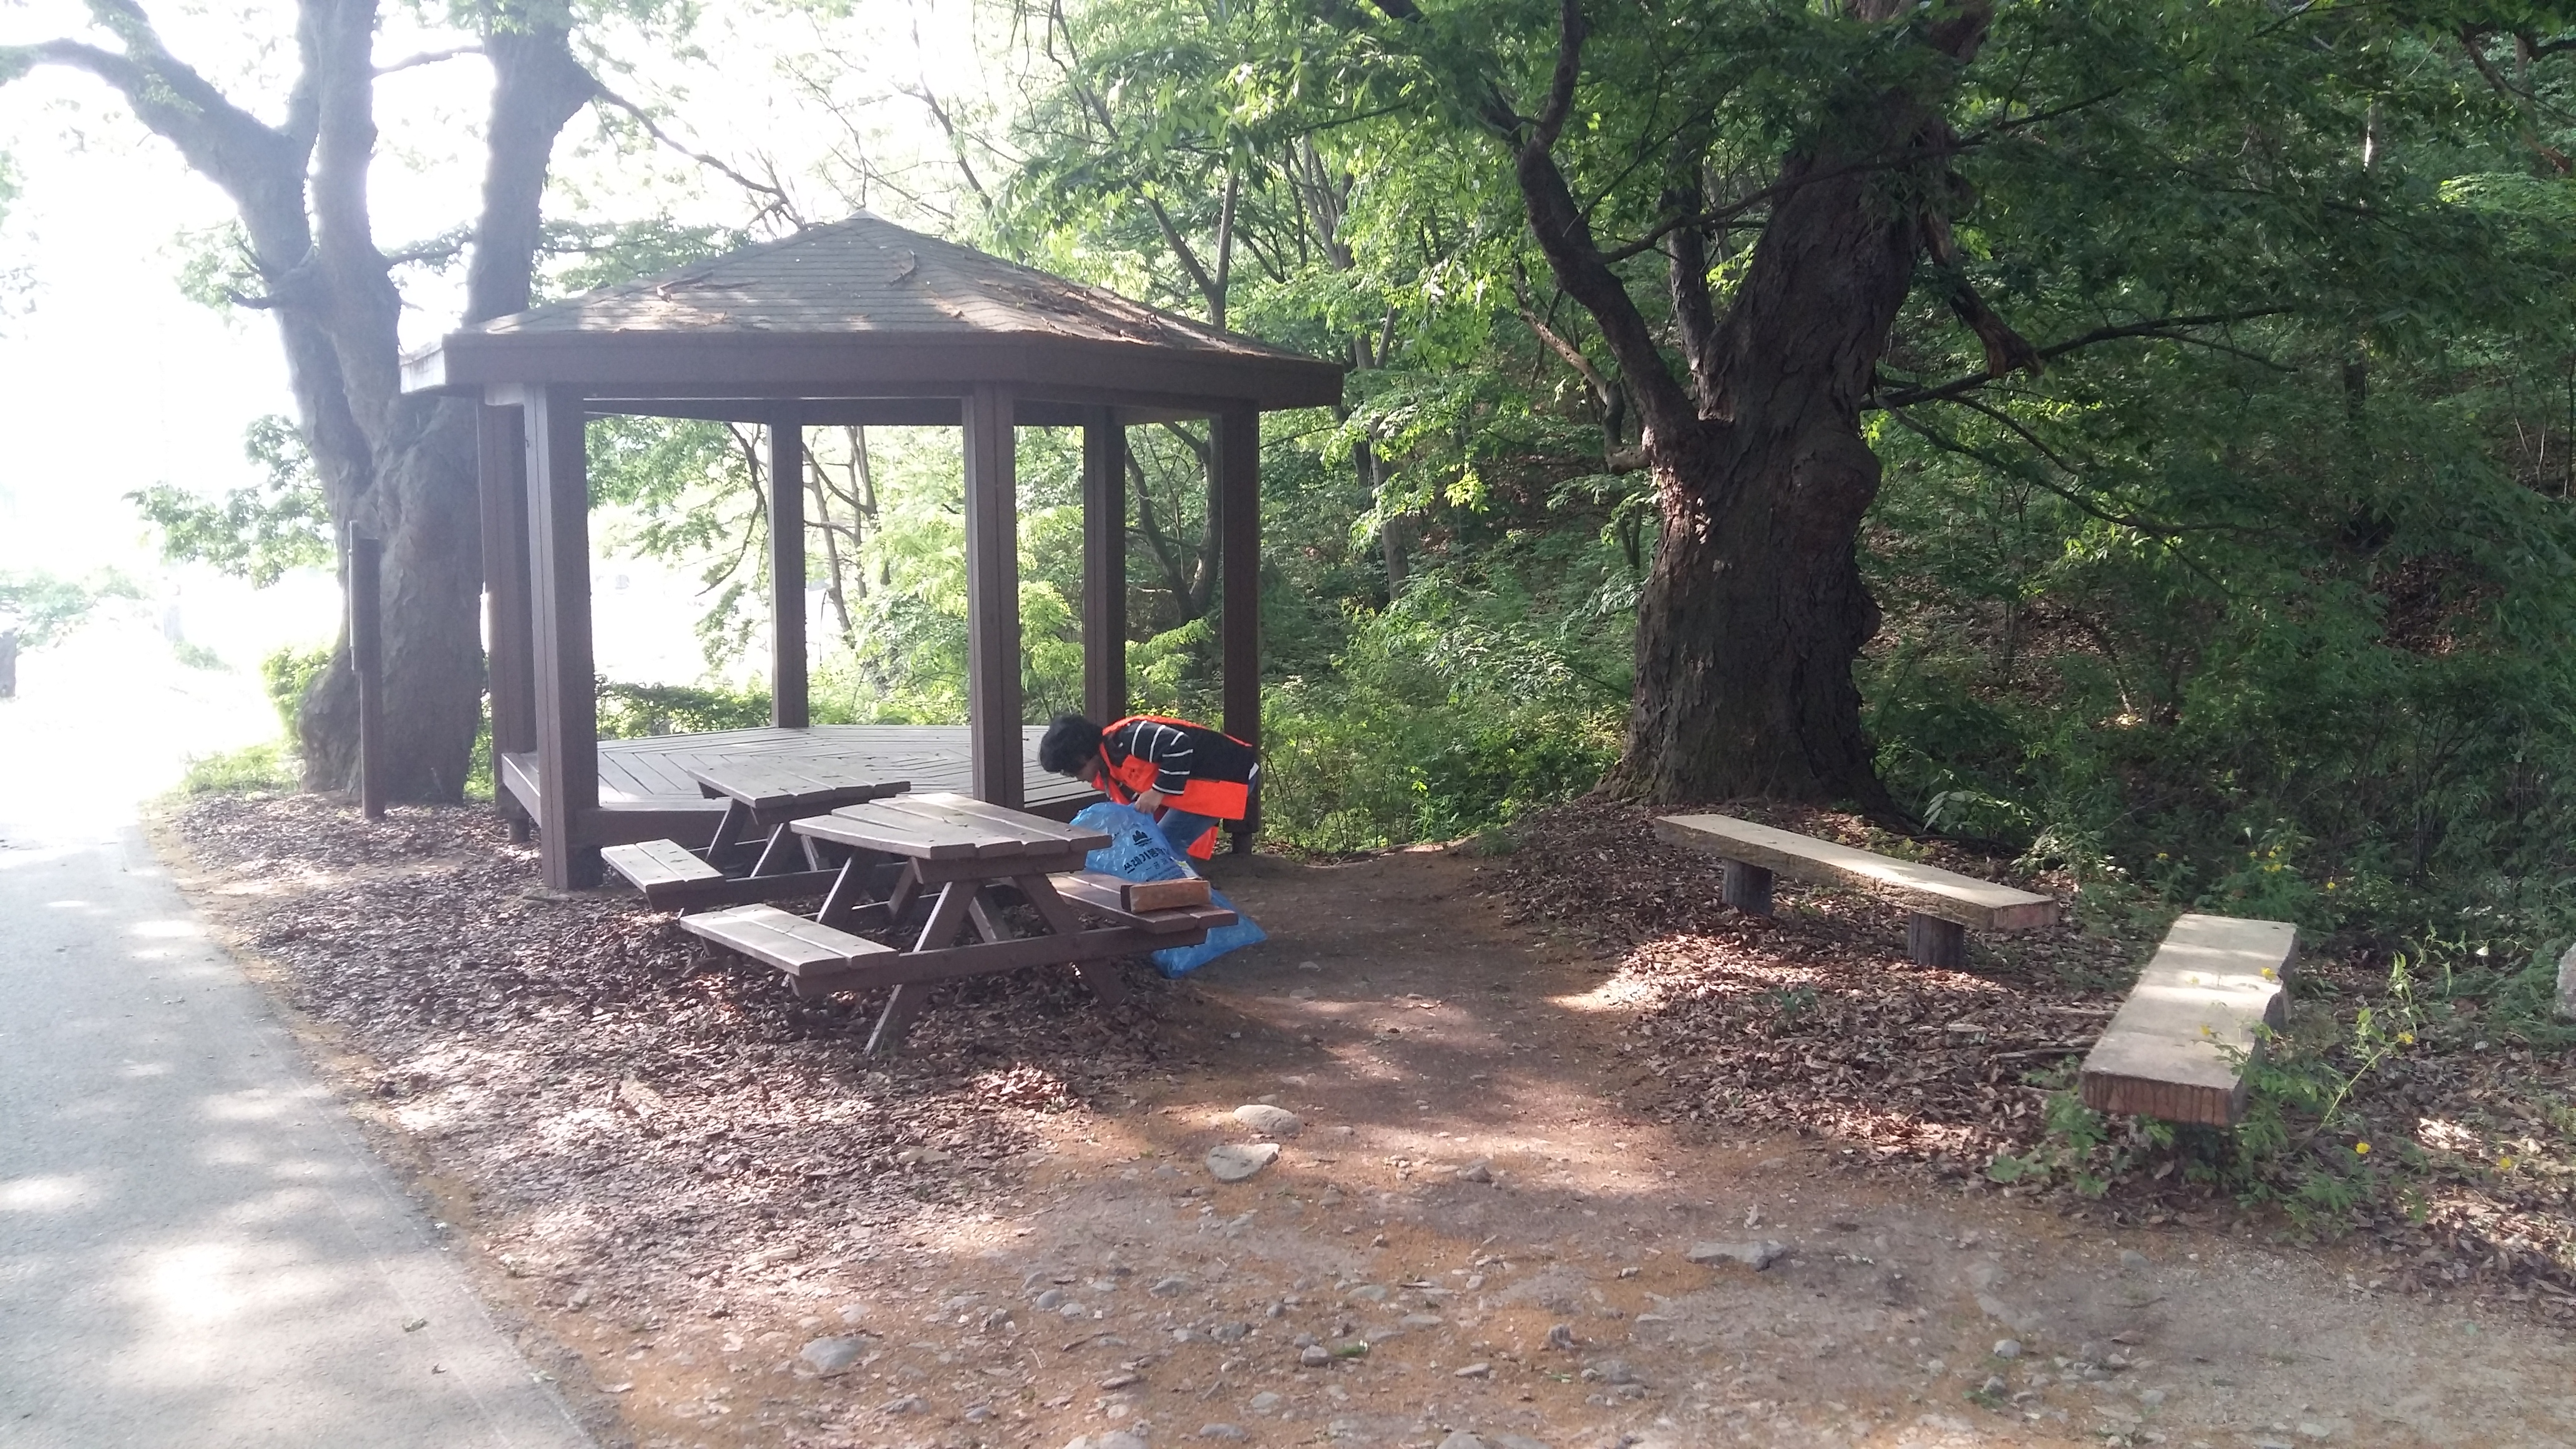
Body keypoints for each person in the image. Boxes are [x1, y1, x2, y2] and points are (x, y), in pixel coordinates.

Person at [1038, 711, 1257, 859]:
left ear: (1082, 756)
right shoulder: (1109, 766)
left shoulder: (1128, 737)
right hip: (1204, 783)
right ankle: (1179, 892)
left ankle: (1182, 898)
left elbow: (1179, 744)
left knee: (1164, 844)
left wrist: (1158, 792)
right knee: (1156, 840)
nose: (1073, 777)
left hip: (1232, 773)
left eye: (1071, 770)